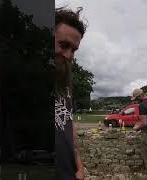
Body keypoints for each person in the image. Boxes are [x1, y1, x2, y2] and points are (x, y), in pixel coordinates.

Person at [53, 7, 87, 180]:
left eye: (74, 50)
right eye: (64, 45)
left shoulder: (66, 88)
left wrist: (79, 167)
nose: (69, 55)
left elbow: (69, 126)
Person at [130, 88, 147, 174]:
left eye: (136, 98)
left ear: (140, 96)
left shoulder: (142, 105)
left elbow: (143, 123)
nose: (136, 100)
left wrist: (135, 128)